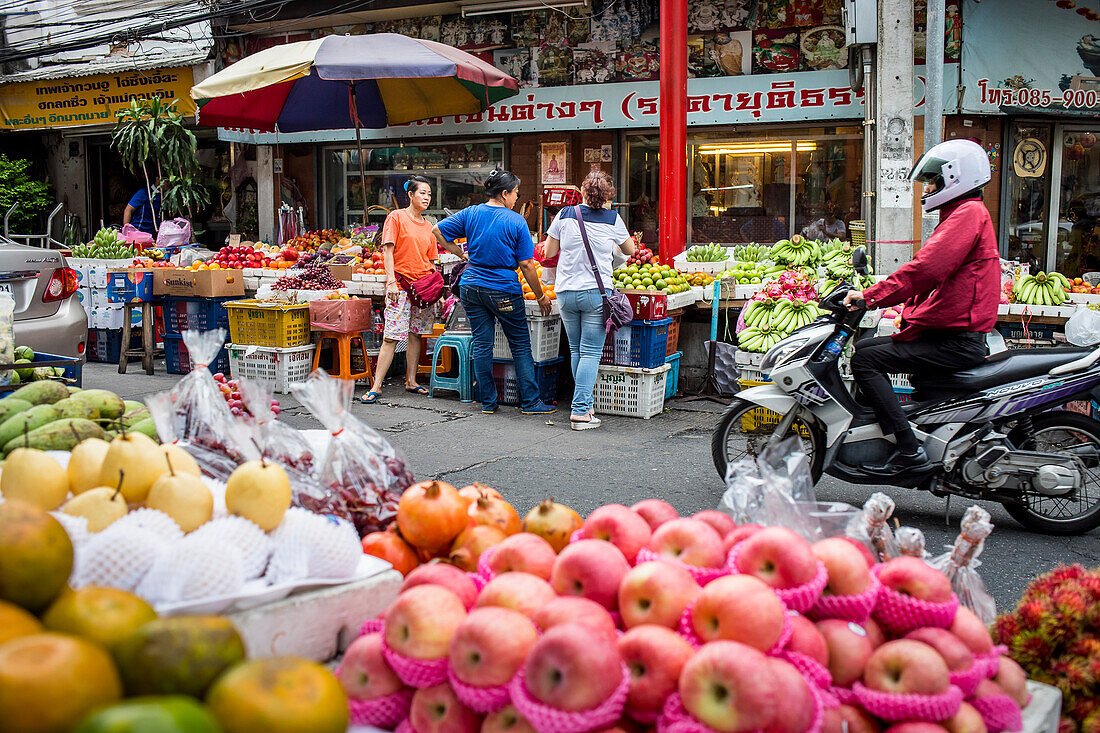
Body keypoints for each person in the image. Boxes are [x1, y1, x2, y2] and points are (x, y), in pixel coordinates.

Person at [843, 139, 999, 472]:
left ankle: (908, 448)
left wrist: (871, 297)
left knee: (866, 358)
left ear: (956, 178)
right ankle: (900, 434)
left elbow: (927, 269)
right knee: (873, 350)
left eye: (933, 181)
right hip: (952, 333)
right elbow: (934, 274)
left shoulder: (968, 214)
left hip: (956, 340)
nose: (927, 189)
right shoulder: (964, 214)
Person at [433, 170, 557, 415]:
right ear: (504, 194)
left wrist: (459, 252)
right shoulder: (515, 221)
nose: (516, 198)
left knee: (482, 344)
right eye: (515, 194)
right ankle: (531, 402)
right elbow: (527, 265)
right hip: (503, 289)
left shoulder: (472, 212)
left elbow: (437, 230)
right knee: (520, 345)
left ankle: (488, 403)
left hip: (471, 287)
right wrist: (540, 295)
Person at [544, 171, 634, 430]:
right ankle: (581, 411)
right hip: (596, 292)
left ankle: (586, 402)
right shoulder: (613, 218)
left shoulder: (564, 215)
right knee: (591, 352)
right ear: (607, 197)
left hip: (565, 292)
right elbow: (629, 250)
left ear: (582, 192)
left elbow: (549, 251)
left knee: (576, 350)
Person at [361, 176, 439, 404]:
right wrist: (391, 282)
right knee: (391, 336)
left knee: (416, 334)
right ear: (411, 195)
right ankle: (376, 386)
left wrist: (435, 289)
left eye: (429, 194)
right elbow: (388, 251)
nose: (426, 197)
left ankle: (411, 381)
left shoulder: (428, 226)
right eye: (422, 193)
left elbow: (431, 261)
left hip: (423, 288)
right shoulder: (396, 217)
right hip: (401, 287)